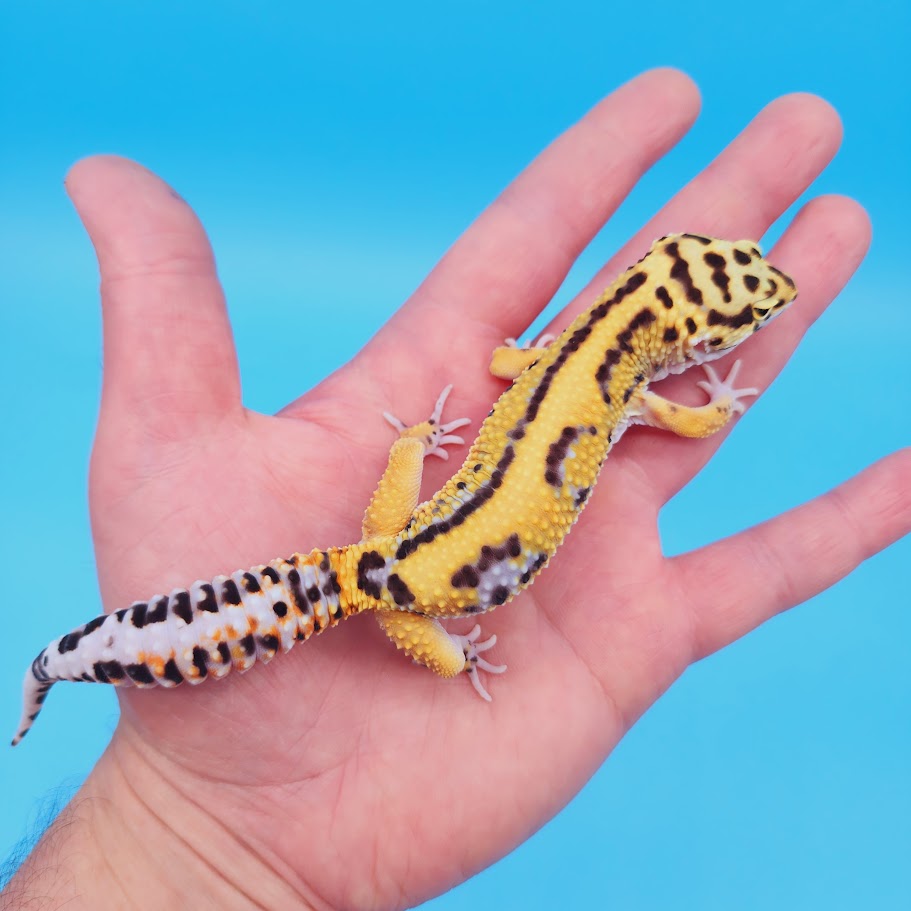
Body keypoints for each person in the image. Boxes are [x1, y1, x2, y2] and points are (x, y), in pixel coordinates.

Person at [2, 68, 908, 911]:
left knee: (366, 570)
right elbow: (696, 420)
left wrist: (413, 442)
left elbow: (506, 360)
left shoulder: (558, 360)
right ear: (686, 345)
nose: (763, 303)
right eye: (744, 311)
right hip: (407, 594)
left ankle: (60, 662)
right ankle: (65, 664)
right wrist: (712, 404)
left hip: (388, 545)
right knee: (437, 643)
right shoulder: (629, 393)